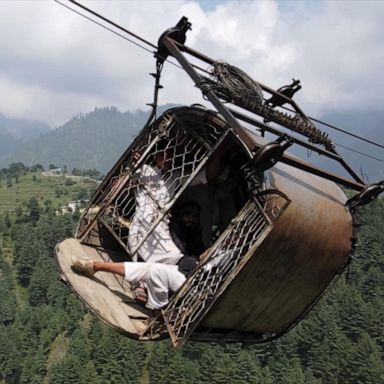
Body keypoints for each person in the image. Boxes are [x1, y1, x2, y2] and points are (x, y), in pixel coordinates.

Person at [128, 145, 207, 265]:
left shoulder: (174, 178)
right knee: (138, 248)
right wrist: (134, 162)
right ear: (156, 157)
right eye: (164, 154)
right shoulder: (146, 170)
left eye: (171, 155)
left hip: (161, 224)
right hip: (143, 219)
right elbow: (133, 175)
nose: (168, 158)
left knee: (173, 255)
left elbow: (202, 177)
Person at [72, 255, 198, 309]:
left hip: (196, 289)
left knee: (155, 270)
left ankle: (159, 308)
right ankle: (96, 266)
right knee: (150, 267)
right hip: (190, 275)